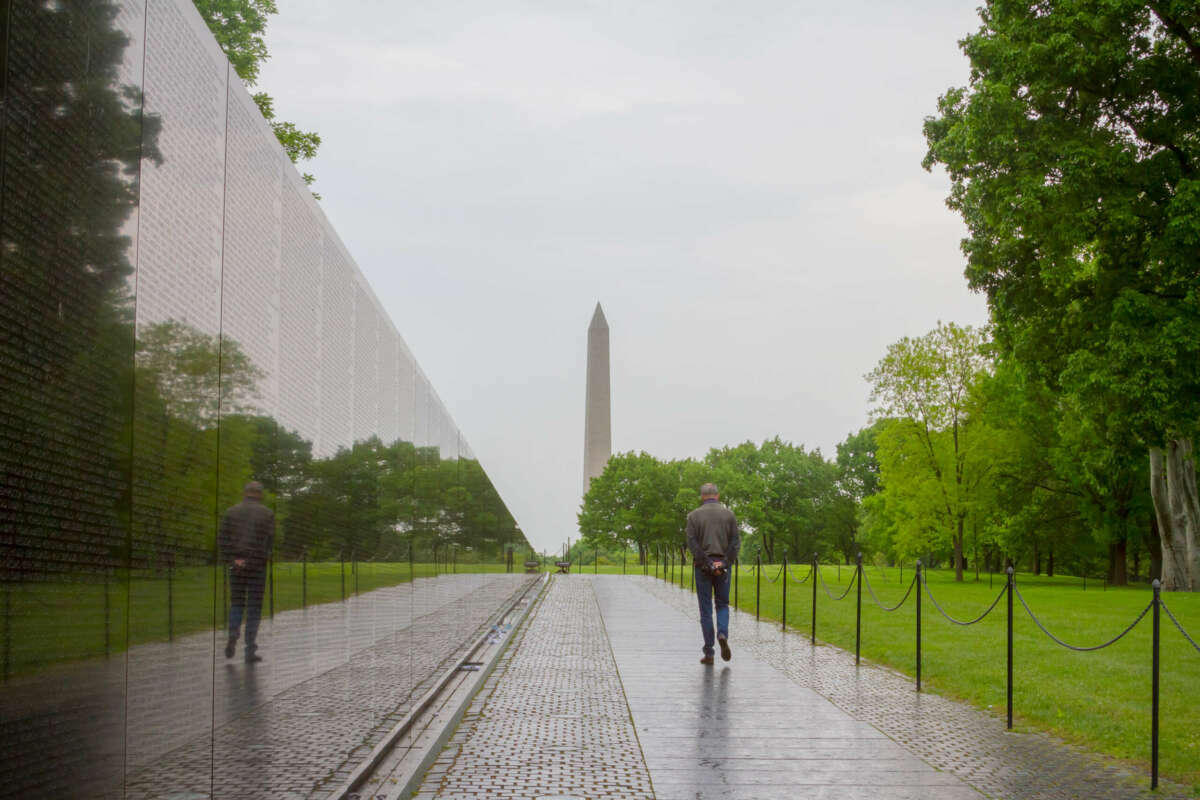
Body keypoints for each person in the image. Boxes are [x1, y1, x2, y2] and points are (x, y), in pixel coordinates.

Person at [218, 481, 275, 663]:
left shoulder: (230, 512)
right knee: (254, 607)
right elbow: (268, 541)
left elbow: (222, 539)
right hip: (257, 566)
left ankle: (233, 630)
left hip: (236, 564)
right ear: (259, 494)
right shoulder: (267, 514)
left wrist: (233, 559)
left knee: (236, 602)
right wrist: (256, 559)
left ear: (245, 493)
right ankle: (250, 648)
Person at [686, 482, 740, 665]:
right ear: (717, 495)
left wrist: (708, 563)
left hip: (702, 566)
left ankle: (709, 652)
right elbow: (735, 542)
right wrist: (723, 563)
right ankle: (722, 633)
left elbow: (693, 544)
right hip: (723, 566)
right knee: (722, 604)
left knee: (706, 609)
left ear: (702, 496)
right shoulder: (729, 515)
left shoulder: (693, 516)